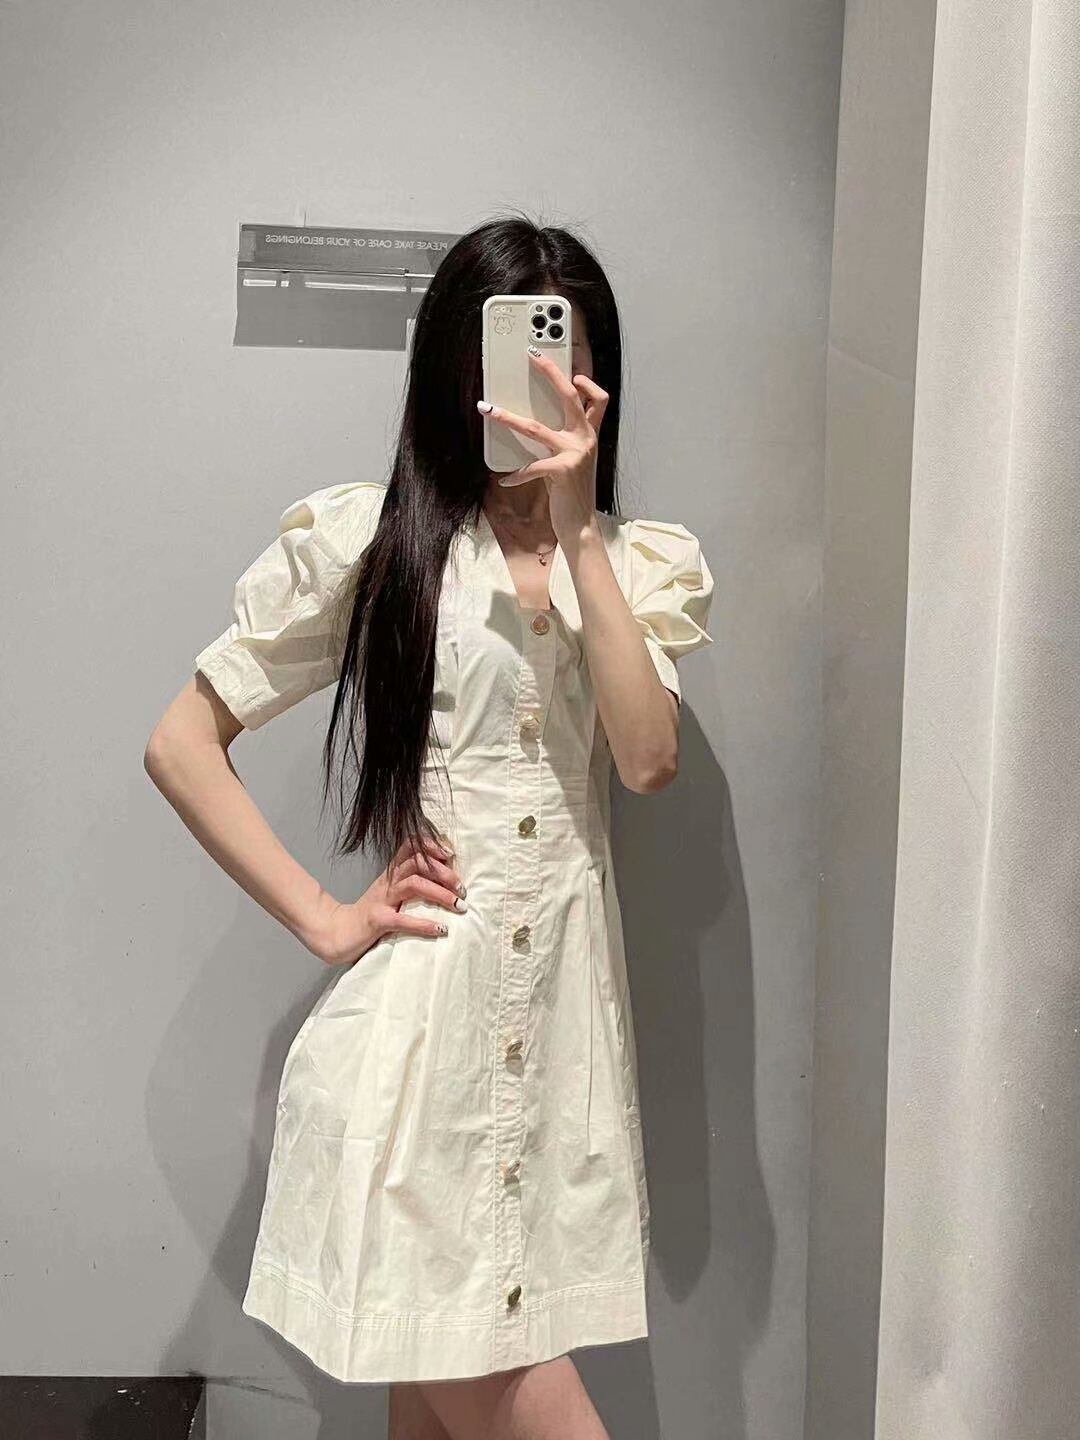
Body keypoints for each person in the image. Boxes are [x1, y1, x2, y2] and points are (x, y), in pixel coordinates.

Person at [145, 213, 714, 1440]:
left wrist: (575, 525)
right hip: (417, 1065)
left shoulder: (631, 564)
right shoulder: (380, 544)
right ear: (454, 371)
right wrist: (327, 918)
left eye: (561, 361)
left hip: (556, 1053)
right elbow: (181, 743)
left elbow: (648, 758)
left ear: (596, 379)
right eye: (500, 359)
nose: (526, 392)